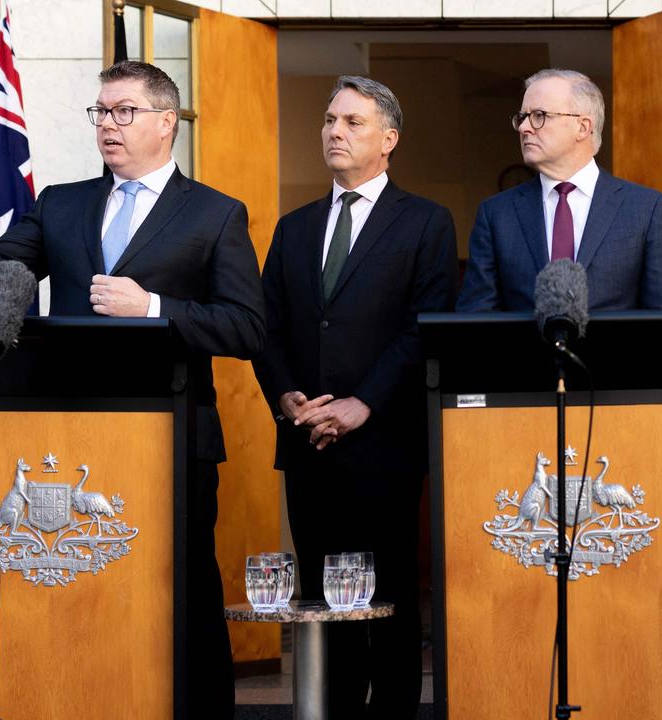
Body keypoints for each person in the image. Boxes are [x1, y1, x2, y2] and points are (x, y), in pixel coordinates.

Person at [0, 60, 265, 719]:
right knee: (90, 589)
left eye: (124, 112)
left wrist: (153, 307)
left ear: (166, 121)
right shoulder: (62, 203)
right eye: (100, 112)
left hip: (176, 436)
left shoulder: (216, 214)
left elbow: (247, 326)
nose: (107, 126)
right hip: (78, 427)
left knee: (181, 591)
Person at [252, 75, 457, 718]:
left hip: (385, 446)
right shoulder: (293, 227)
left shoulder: (426, 221)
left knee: (387, 596)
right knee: (318, 597)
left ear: (389, 139)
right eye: (329, 120)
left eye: (353, 122)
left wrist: (363, 403)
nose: (335, 132)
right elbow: (268, 326)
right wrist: (287, 396)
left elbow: (424, 326)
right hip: (308, 442)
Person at [456, 68, 662, 312]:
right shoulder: (496, 214)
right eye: (522, 117)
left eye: (539, 115)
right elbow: (476, 322)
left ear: (582, 127)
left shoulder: (645, 209)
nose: (524, 128)